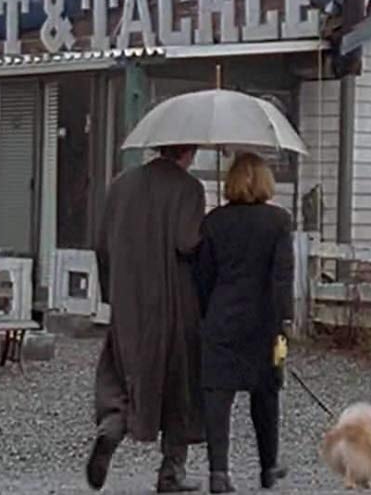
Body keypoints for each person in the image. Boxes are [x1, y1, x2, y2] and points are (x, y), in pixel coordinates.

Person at [88, 143, 208, 493]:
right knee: (179, 382)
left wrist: (112, 293)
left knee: (123, 369)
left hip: (129, 299)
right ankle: (172, 470)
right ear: (189, 151)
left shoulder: (121, 184)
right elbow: (186, 242)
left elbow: (102, 244)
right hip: (174, 301)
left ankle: (112, 426)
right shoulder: (190, 188)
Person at [194, 153, 295, 493]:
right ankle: (268, 467)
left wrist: (206, 313)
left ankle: (218, 472)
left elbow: (203, 276)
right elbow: (282, 276)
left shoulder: (214, 222)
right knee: (266, 394)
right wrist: (285, 320)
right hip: (265, 322)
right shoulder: (279, 221)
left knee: (217, 397)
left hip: (221, 317)